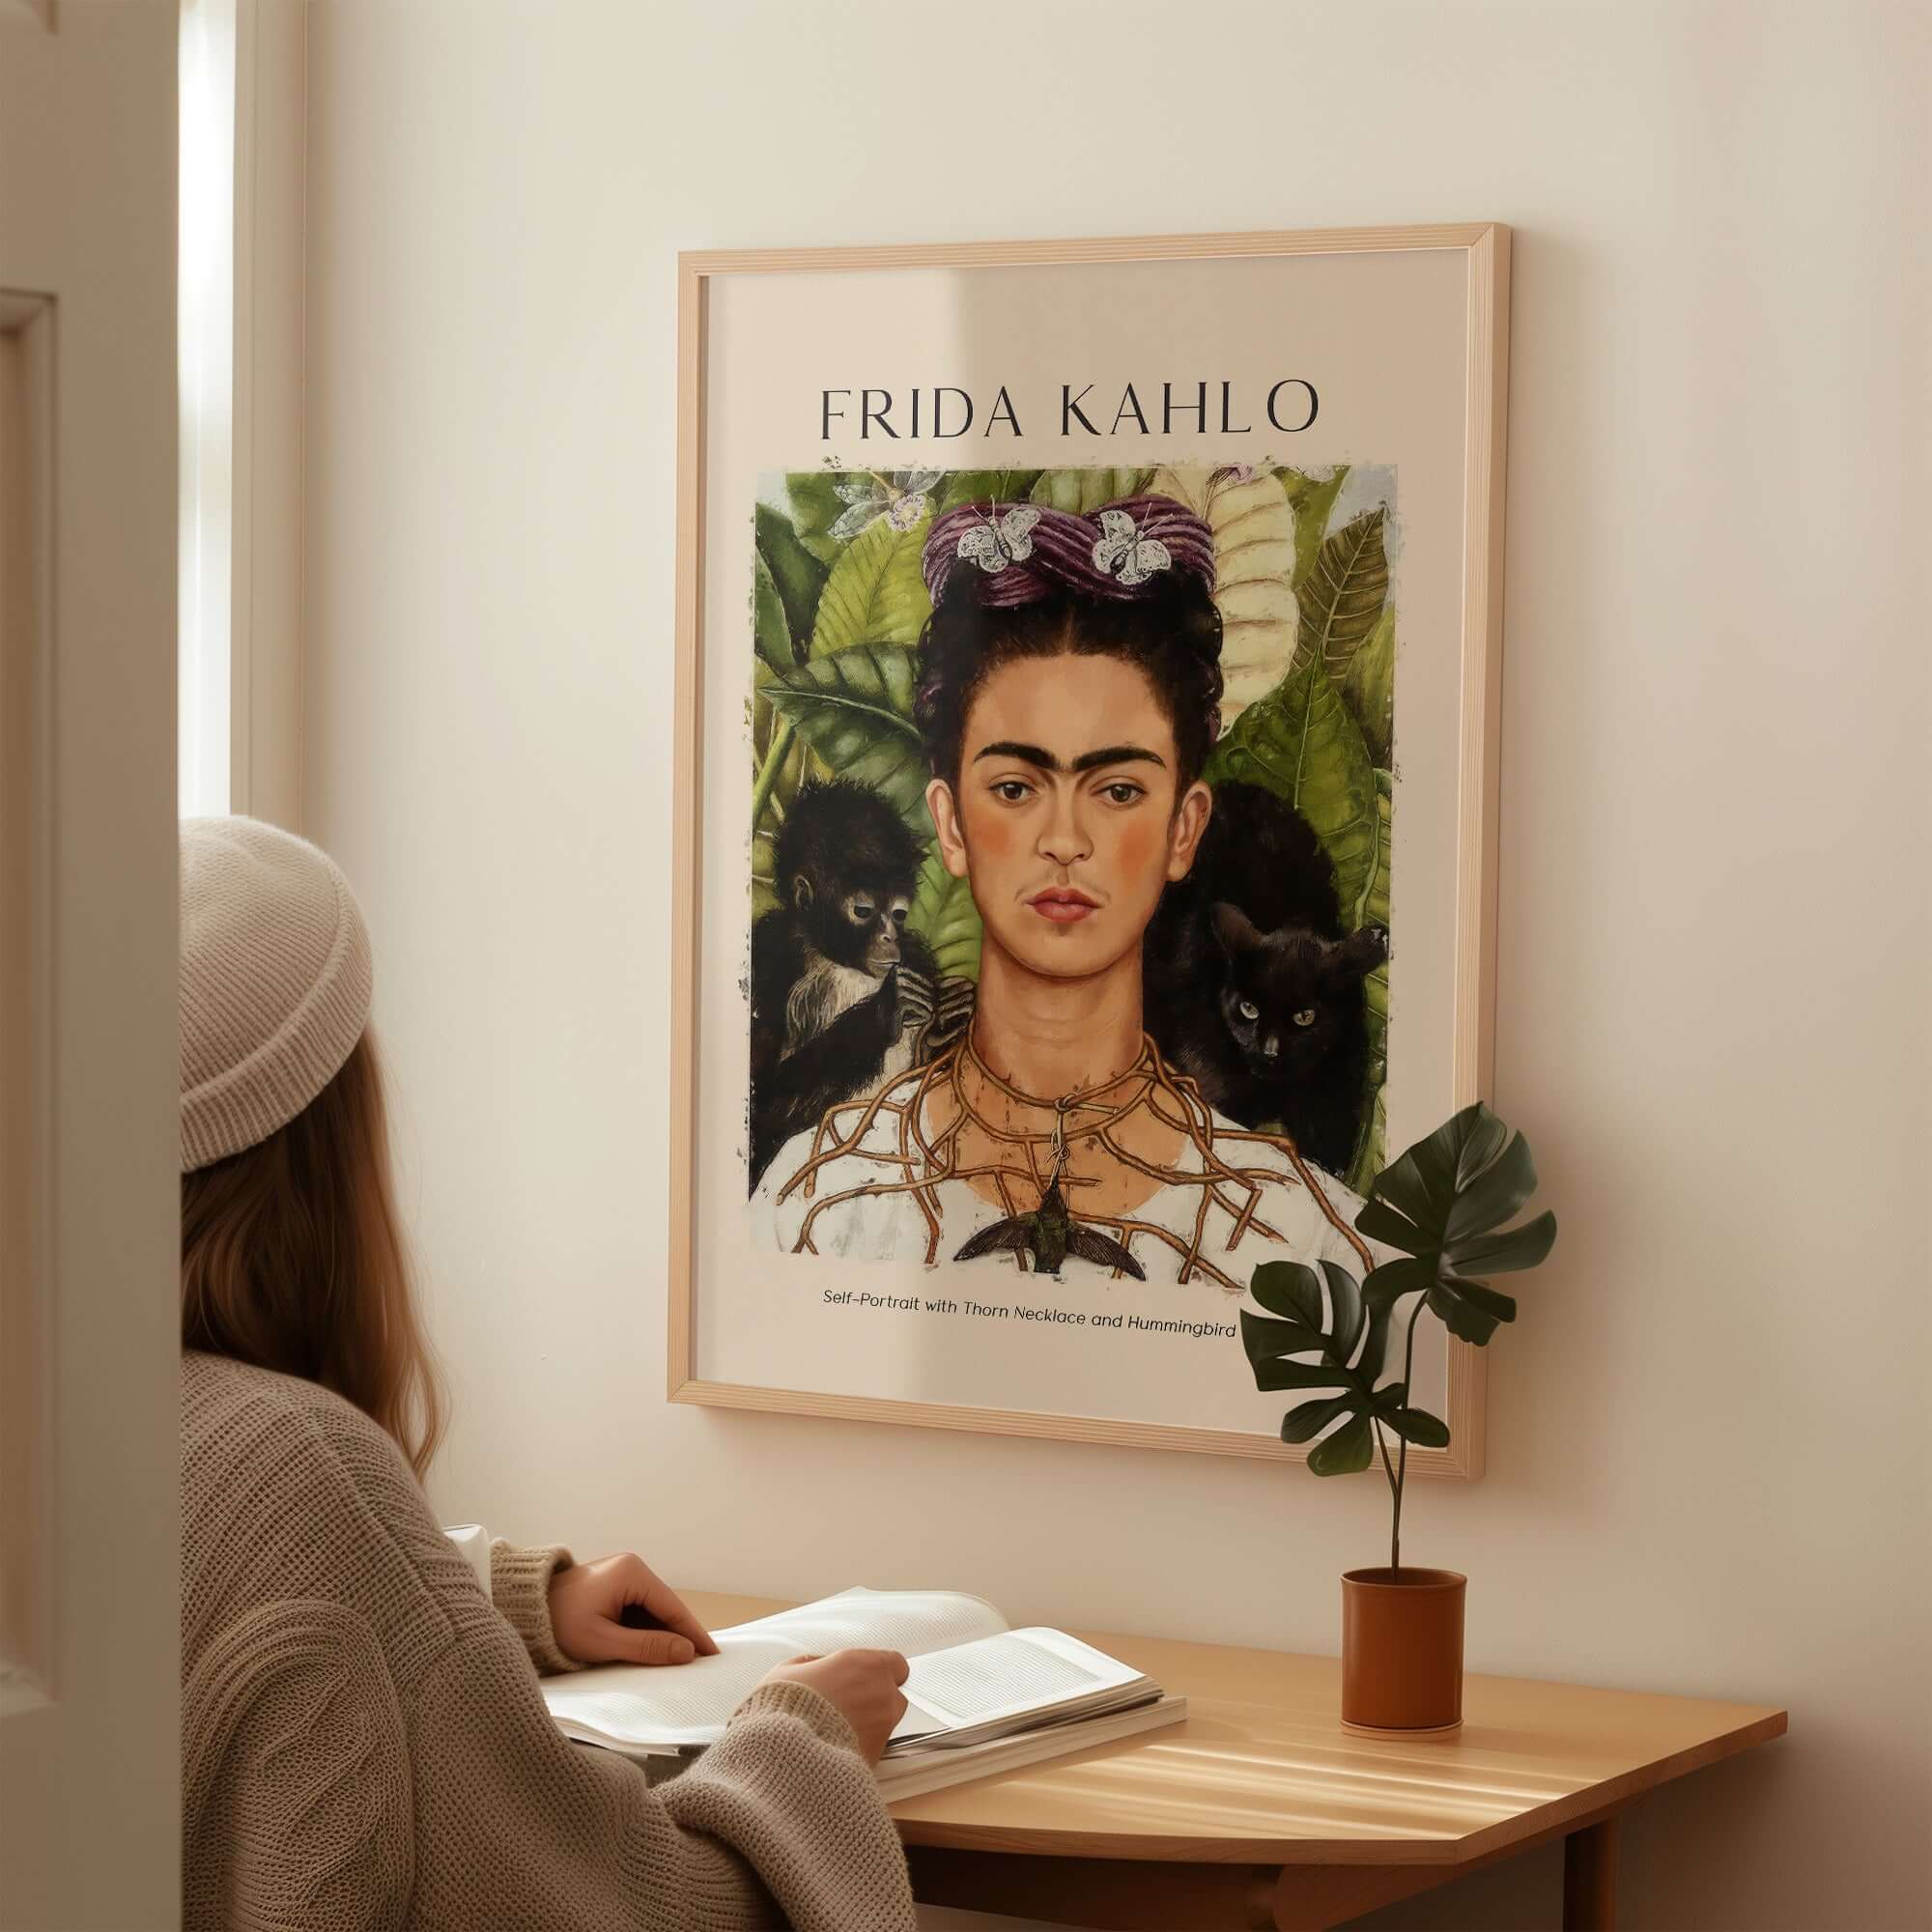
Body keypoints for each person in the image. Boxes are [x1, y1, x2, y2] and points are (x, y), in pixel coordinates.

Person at [179, 816, 918, 1931]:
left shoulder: (80, 1416)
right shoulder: (293, 1464)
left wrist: (475, 1596)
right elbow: (632, 1911)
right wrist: (798, 1737)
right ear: (329, 1142)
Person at [752, 495, 1377, 1293]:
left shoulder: (1307, 1237)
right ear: (951, 823)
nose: (1065, 839)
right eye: (1015, 787)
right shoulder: (814, 1206)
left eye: (1117, 791)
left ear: (1184, 830)